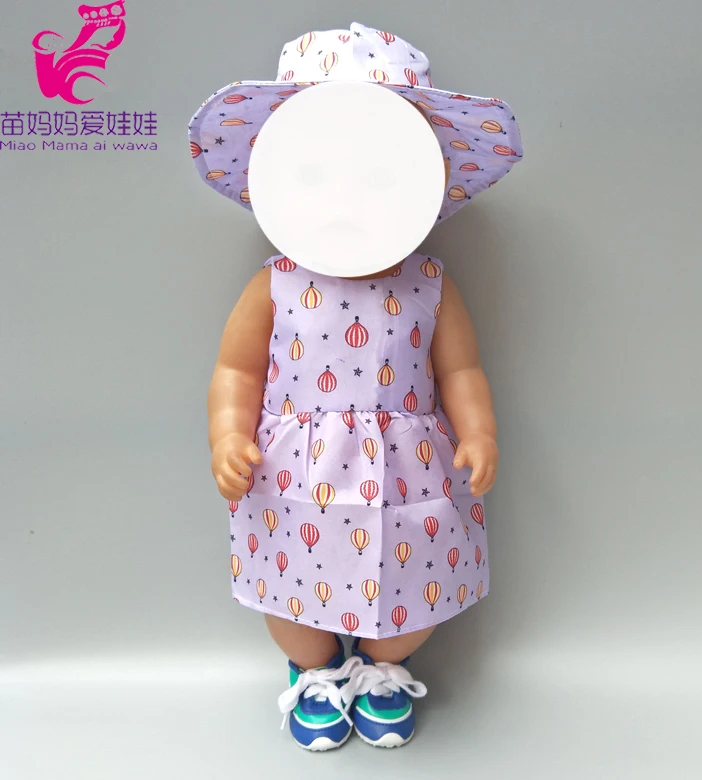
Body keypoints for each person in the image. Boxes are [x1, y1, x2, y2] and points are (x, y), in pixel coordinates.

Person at [188, 21, 523, 751]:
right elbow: (238, 370)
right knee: (292, 603)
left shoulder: (429, 283)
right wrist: (226, 436)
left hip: (410, 472)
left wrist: (479, 432)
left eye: (378, 174)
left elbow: (459, 369)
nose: (347, 195)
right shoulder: (276, 284)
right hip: (291, 474)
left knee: (412, 593)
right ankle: (311, 670)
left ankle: (380, 666)